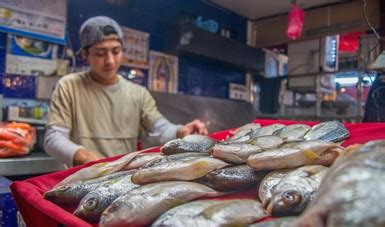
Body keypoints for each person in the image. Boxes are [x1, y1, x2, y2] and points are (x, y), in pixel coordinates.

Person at [44, 16, 208, 166]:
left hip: (123, 178)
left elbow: (160, 128)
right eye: (101, 53)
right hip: (83, 176)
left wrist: (182, 131)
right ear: (85, 54)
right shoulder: (69, 86)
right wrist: (81, 155)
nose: (110, 60)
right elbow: (53, 138)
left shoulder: (138, 93)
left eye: (116, 51)